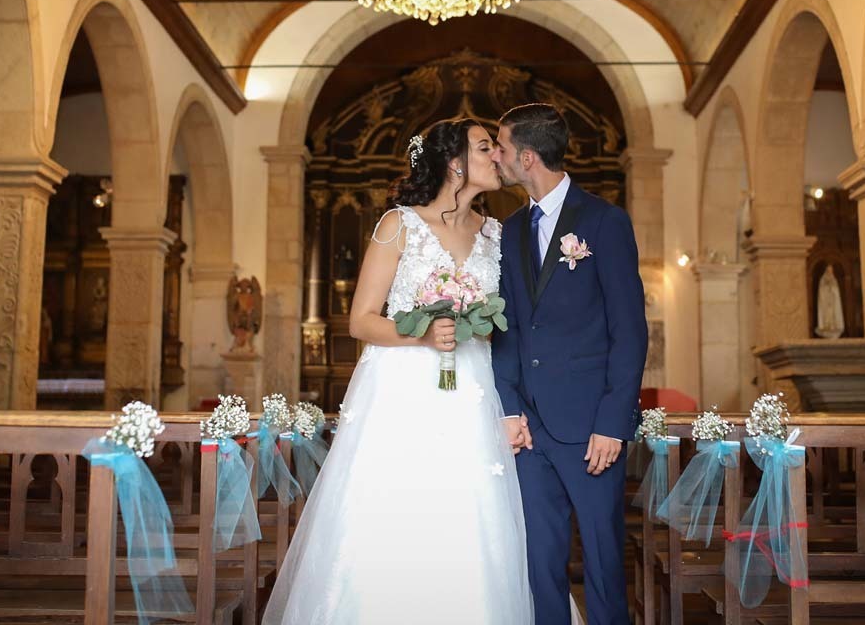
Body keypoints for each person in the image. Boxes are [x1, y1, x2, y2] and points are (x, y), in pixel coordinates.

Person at [262, 119, 536, 624]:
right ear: (454, 163)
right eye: (485, 148)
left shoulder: (496, 233)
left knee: (470, 512)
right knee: (397, 508)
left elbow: (508, 330)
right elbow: (361, 320)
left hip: (473, 391)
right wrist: (423, 333)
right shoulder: (400, 224)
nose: (498, 156)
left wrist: (509, 404)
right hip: (403, 393)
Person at [493, 103, 648, 625]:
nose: (496, 156)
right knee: (540, 564)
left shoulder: (604, 221)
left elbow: (629, 332)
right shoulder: (510, 230)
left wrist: (613, 423)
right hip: (530, 430)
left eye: (502, 147)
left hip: (591, 429)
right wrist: (510, 409)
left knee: (603, 562)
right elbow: (508, 329)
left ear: (527, 157)